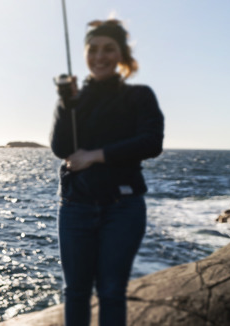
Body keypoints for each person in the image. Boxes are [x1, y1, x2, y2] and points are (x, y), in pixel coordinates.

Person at [50, 19, 164, 326]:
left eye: (109, 49)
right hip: (75, 207)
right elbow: (61, 148)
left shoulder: (139, 96)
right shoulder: (76, 99)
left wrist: (96, 156)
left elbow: (151, 142)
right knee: (75, 291)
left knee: (112, 291)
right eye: (93, 49)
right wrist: (65, 104)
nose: (100, 56)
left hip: (122, 209)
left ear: (122, 55)